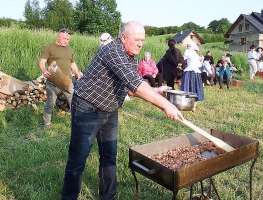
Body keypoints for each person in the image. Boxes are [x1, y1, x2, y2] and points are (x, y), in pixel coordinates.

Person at [61, 21, 184, 200]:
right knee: (78, 159)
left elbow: (130, 88)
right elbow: (136, 84)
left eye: (143, 40)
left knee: (109, 156)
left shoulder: (131, 57)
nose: (141, 44)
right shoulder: (113, 51)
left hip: (110, 110)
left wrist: (157, 91)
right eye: (137, 39)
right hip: (87, 107)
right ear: (123, 37)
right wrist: (166, 105)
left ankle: (108, 197)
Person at [39, 28, 81, 129]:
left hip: (67, 82)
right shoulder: (50, 47)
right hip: (53, 82)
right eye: (64, 38)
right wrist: (44, 71)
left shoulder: (69, 49)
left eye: (68, 39)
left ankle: (76, 123)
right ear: (59, 36)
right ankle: (47, 123)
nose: (66, 40)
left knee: (74, 102)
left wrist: (78, 75)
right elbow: (42, 61)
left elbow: (72, 63)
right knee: (50, 103)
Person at [181, 41, 204, 112]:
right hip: (188, 72)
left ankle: (194, 106)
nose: (188, 47)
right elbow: (184, 57)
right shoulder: (187, 53)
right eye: (187, 46)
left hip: (195, 72)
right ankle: (184, 105)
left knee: (195, 89)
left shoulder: (195, 54)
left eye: (189, 46)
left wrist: (201, 60)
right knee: (186, 88)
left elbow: (199, 65)